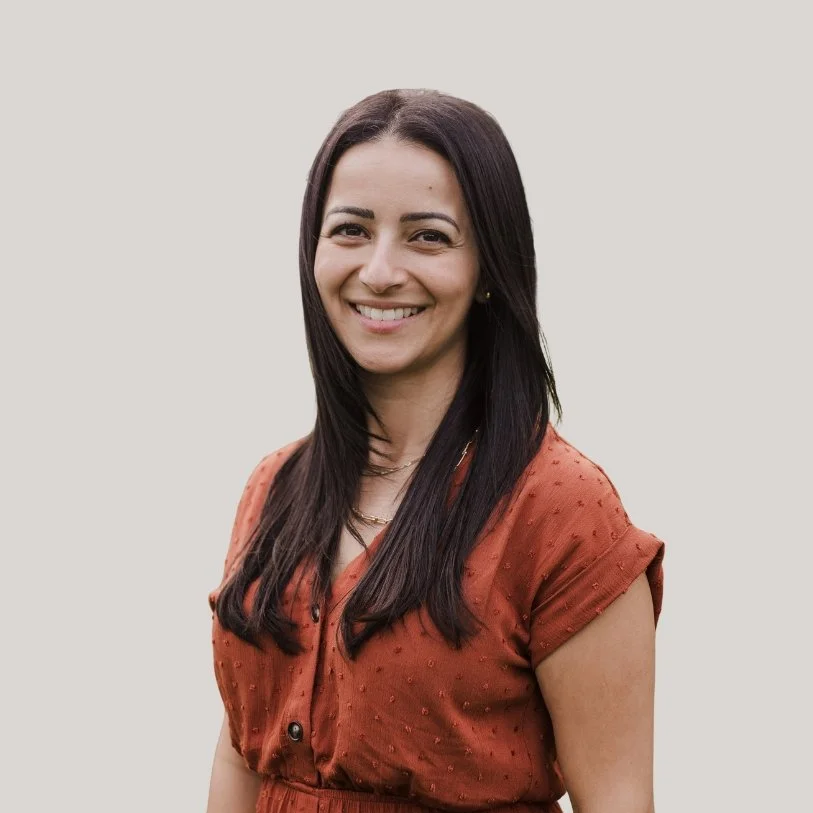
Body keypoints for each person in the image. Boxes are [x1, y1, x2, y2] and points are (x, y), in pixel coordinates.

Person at [206, 88, 666, 813]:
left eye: (427, 236)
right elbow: (241, 751)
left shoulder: (560, 509)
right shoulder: (274, 488)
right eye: (351, 230)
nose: (381, 270)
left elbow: (617, 799)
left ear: (488, 268)